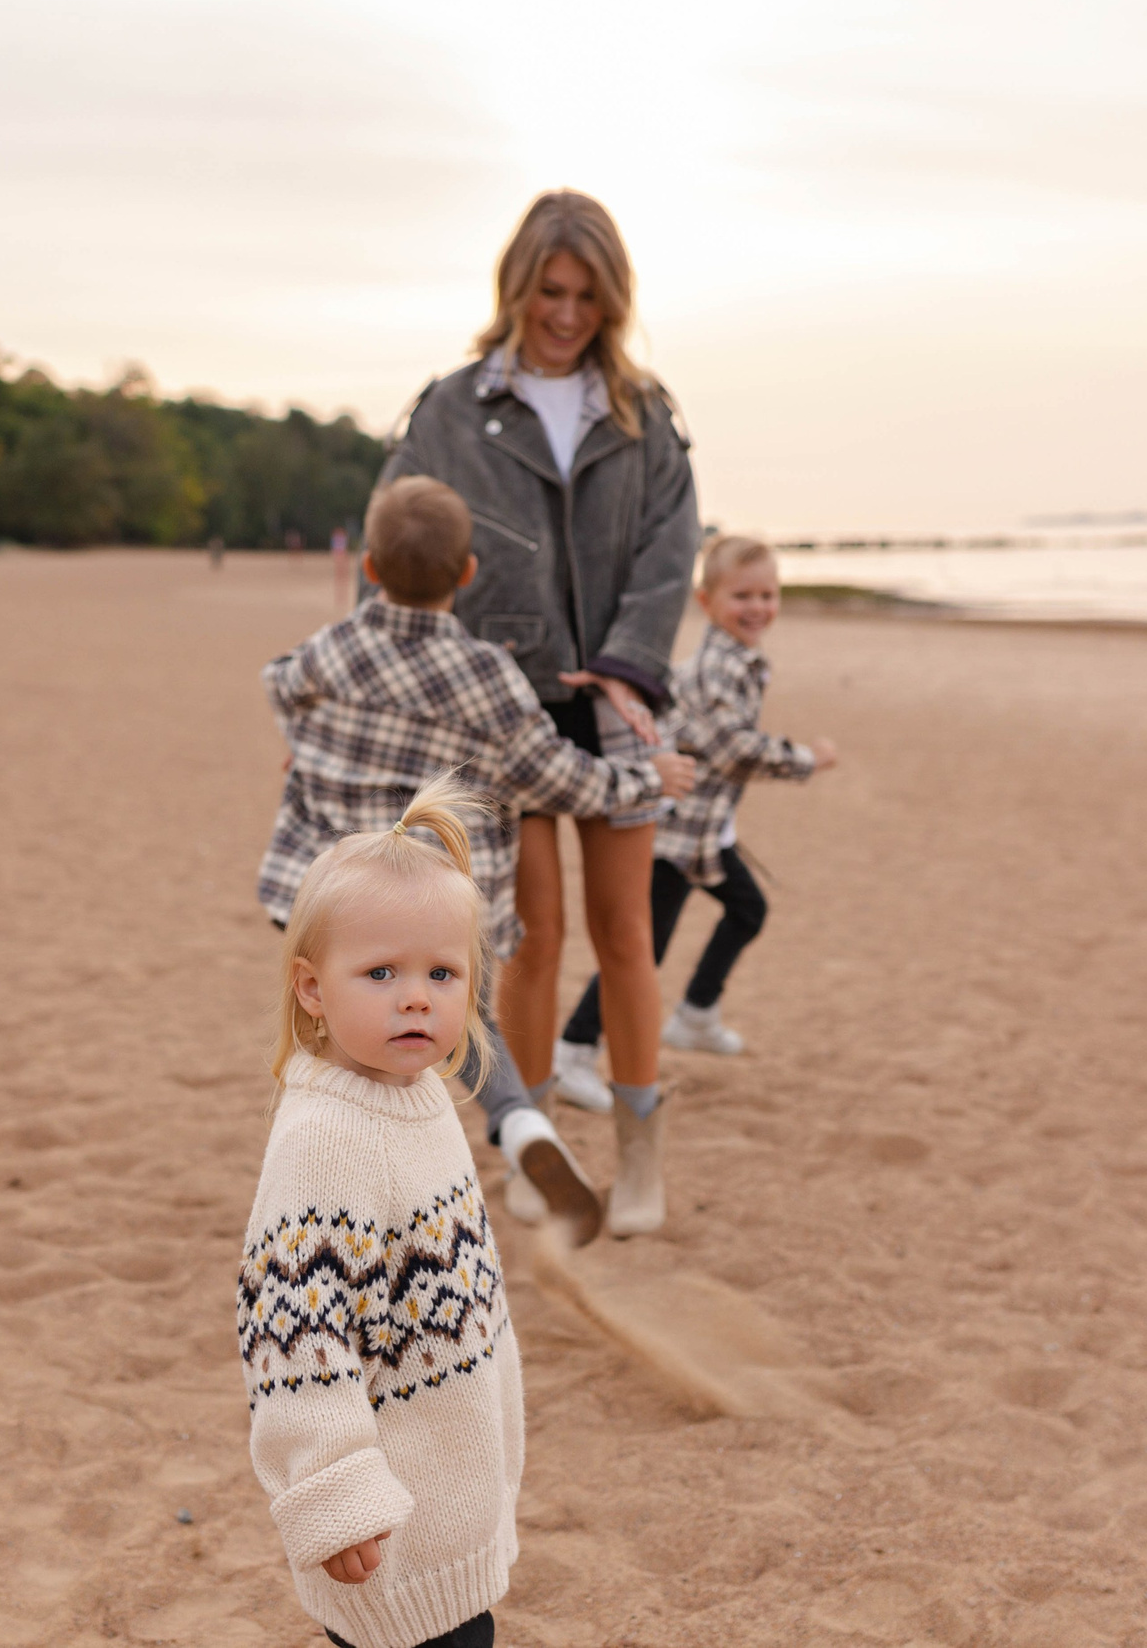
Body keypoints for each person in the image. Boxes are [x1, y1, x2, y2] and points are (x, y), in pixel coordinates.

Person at [375, 190, 699, 1237]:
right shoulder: (448, 409)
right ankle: (537, 1146)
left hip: (619, 704)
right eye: (550, 291)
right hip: (497, 707)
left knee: (625, 933)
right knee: (528, 936)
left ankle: (640, 1159)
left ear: (612, 300)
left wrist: (628, 668)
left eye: (587, 297)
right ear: (517, 287)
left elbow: (670, 550)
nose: (565, 314)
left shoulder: (643, 413)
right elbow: (397, 534)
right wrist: (392, 685)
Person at [259, 476, 697, 1246]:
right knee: (460, 1023)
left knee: (338, 1031)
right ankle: (519, 1119)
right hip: (433, 900)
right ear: (467, 573)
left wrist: (305, 746)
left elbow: (279, 684)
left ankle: (344, 1173)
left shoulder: (329, 651)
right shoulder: (489, 675)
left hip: (326, 893)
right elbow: (561, 776)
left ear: (369, 566)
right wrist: (646, 778)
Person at [239, 773, 522, 1648]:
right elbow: (295, 1330)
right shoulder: (326, 1138)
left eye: (443, 972)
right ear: (312, 988)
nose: (417, 996)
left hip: (451, 1505)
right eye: (381, 973)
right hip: (386, 1535)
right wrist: (335, 1491)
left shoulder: (421, 1093)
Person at [556, 535, 837, 1083]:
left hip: (708, 831)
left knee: (747, 909)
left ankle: (696, 1014)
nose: (757, 608)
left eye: (767, 595)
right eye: (742, 596)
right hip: (676, 834)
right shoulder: (718, 667)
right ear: (706, 602)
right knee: (644, 947)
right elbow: (733, 747)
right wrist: (809, 759)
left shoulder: (741, 661)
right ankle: (573, 1049)